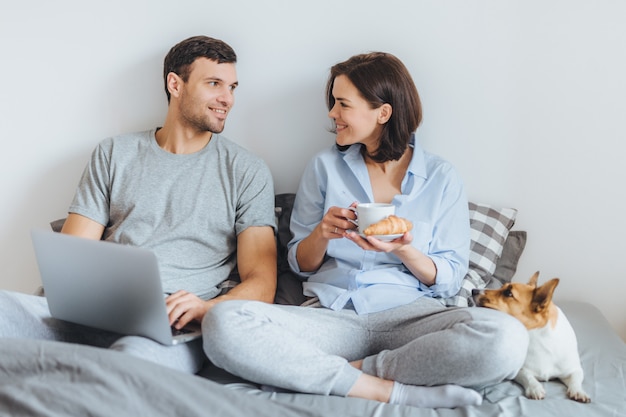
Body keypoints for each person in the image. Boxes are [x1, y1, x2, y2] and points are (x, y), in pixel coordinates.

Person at [202, 52, 529, 409]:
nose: (332, 114)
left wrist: (404, 249)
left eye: (342, 104)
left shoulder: (441, 177)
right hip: (332, 316)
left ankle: (348, 373)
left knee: (506, 339)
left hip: (411, 317)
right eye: (333, 103)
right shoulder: (324, 167)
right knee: (222, 321)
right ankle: (389, 390)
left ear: (383, 113)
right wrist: (322, 234)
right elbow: (299, 264)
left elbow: (450, 280)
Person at [0, 35, 277, 373]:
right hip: (97, 308)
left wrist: (208, 308)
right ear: (175, 84)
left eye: (232, 87)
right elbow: (72, 255)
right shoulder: (115, 153)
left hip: (169, 324)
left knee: (126, 369)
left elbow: (262, 281)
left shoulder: (247, 170)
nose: (227, 99)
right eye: (214, 84)